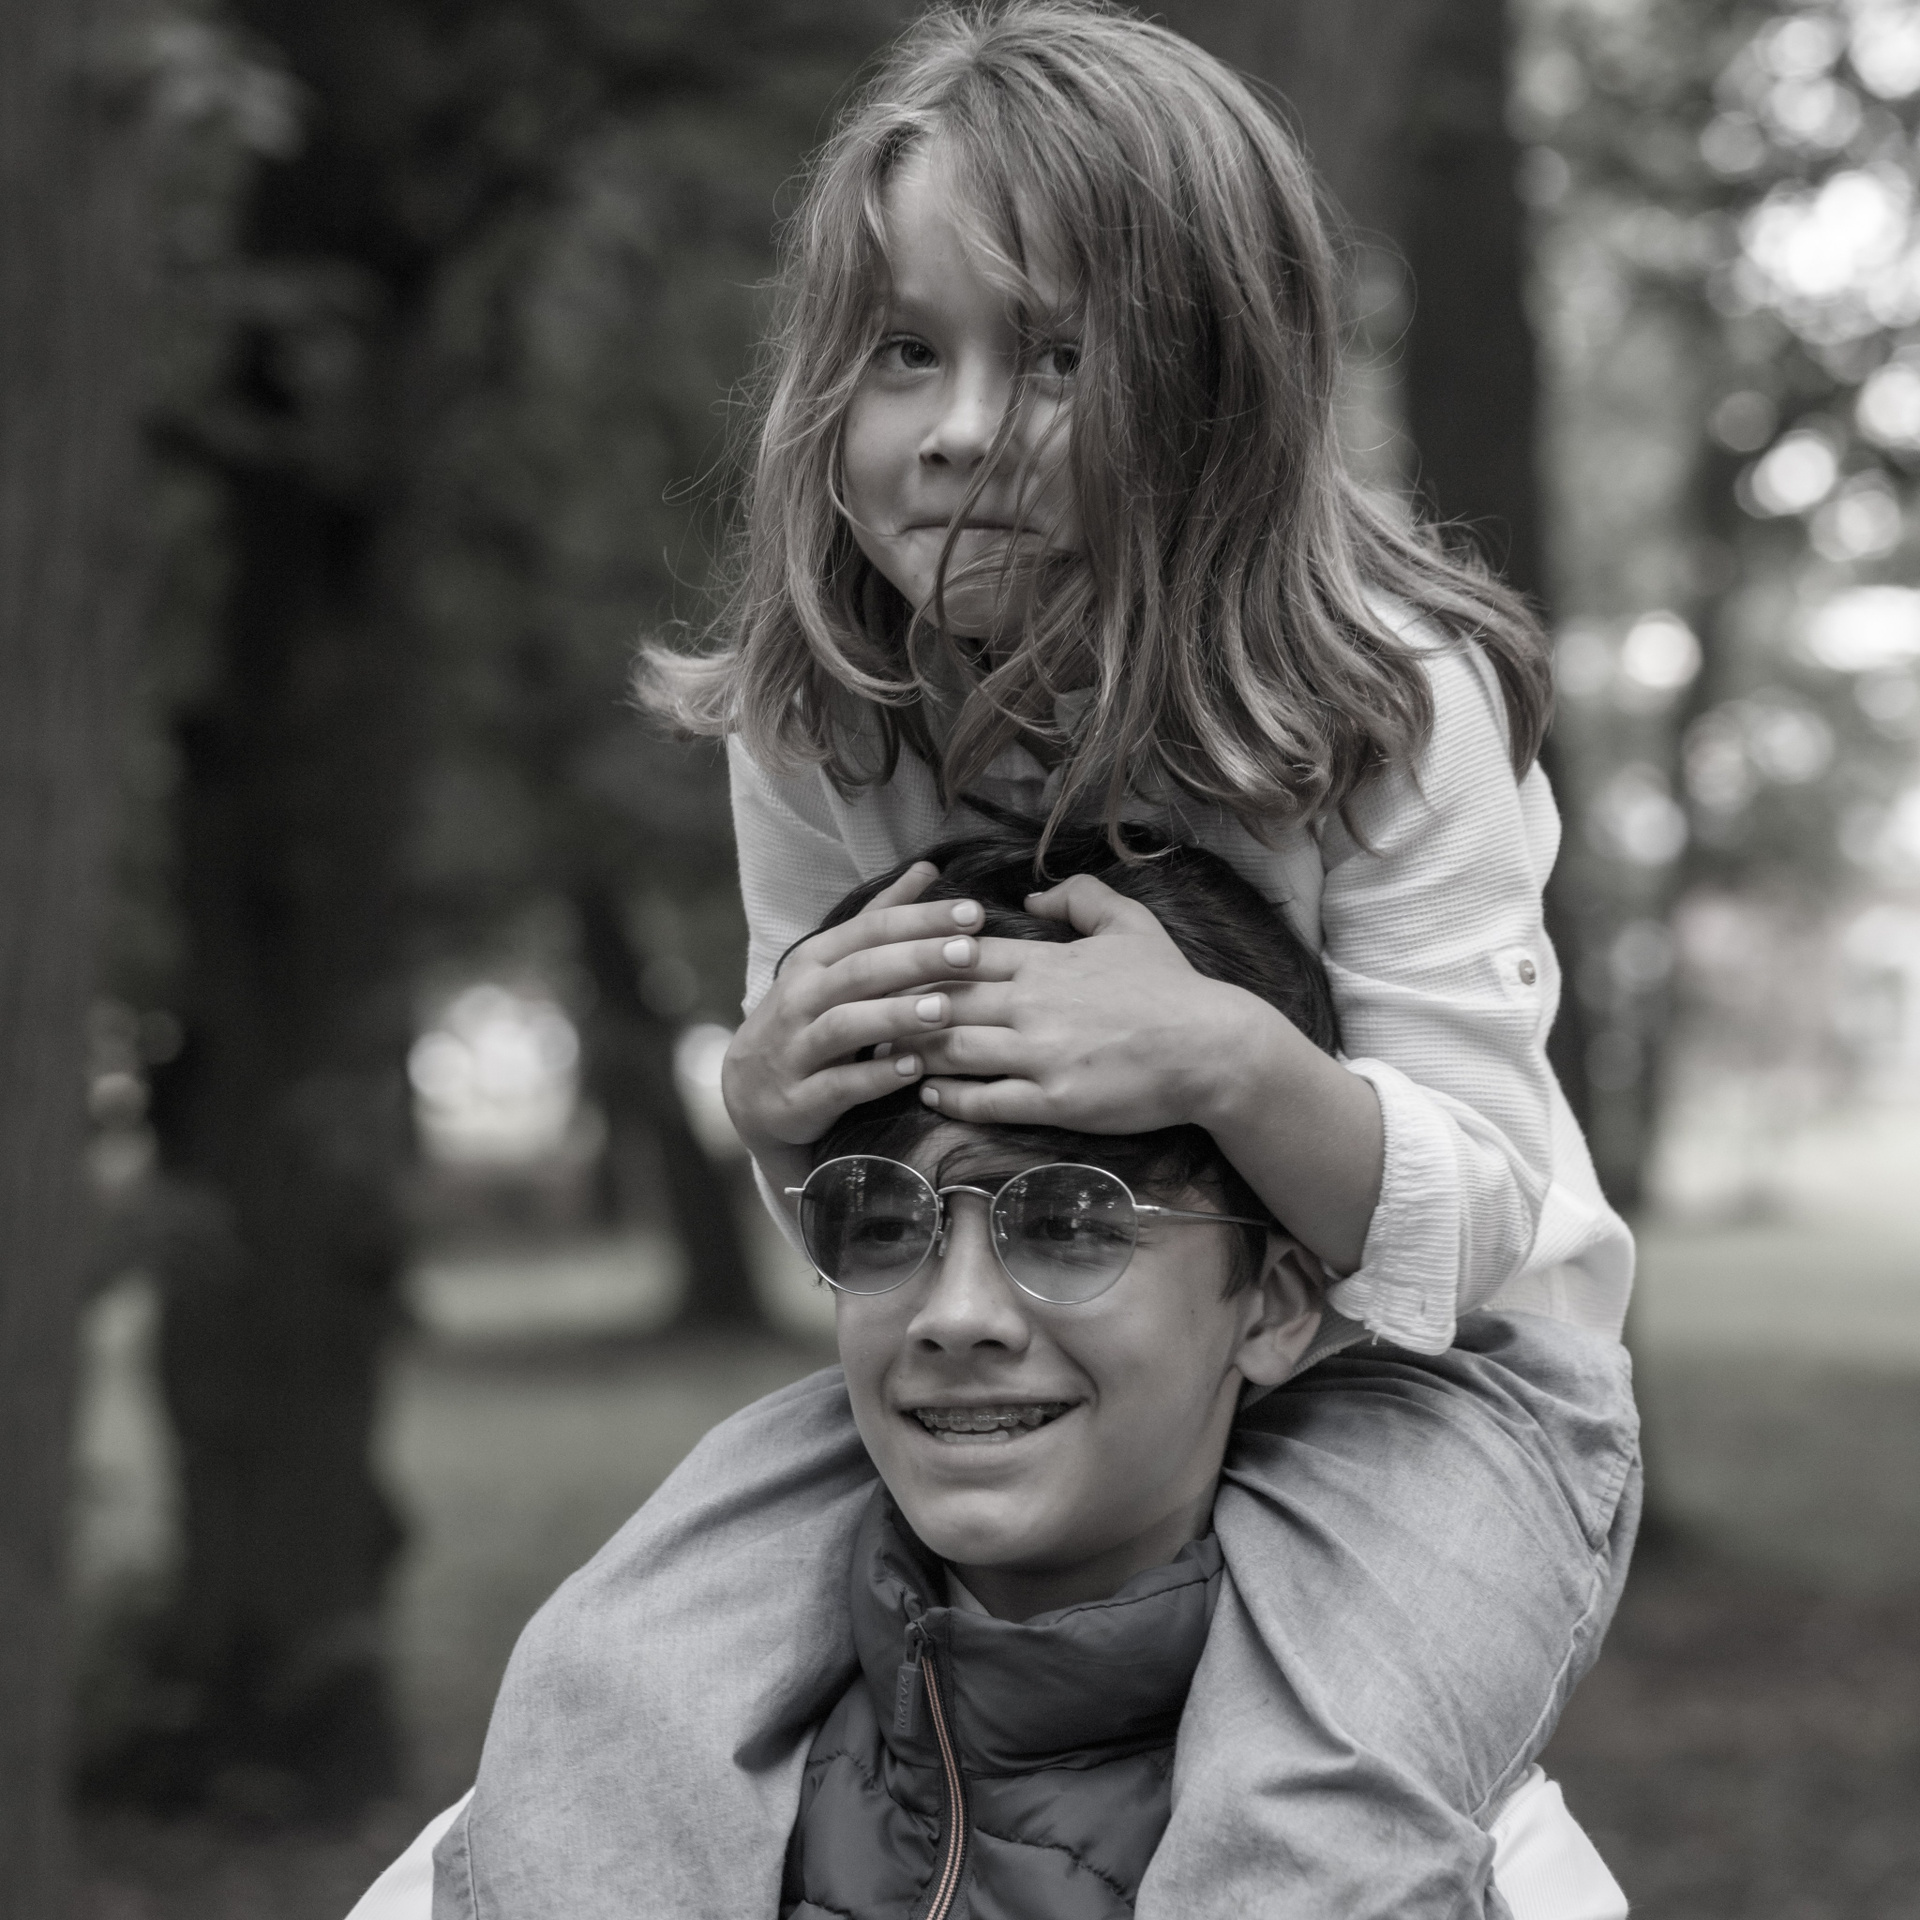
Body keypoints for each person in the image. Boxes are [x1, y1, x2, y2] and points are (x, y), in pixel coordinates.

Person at [429, 5, 1642, 1914]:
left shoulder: (1387, 701)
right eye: (905, 350)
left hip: (1437, 1381)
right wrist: (772, 1095)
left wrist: (1225, 1059)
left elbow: (1487, 1216)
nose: (963, 428)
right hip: (1039, 1317)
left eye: (1059, 356)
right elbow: (865, 1171)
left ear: (1217, 393)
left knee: (1312, 1798)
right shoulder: (826, 710)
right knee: (613, 1680)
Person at [347, 828, 1627, 1920]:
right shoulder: (572, 1810)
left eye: (1071, 1222)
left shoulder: (1446, 1864)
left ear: (1278, 1302)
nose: (954, 1317)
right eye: (883, 1222)